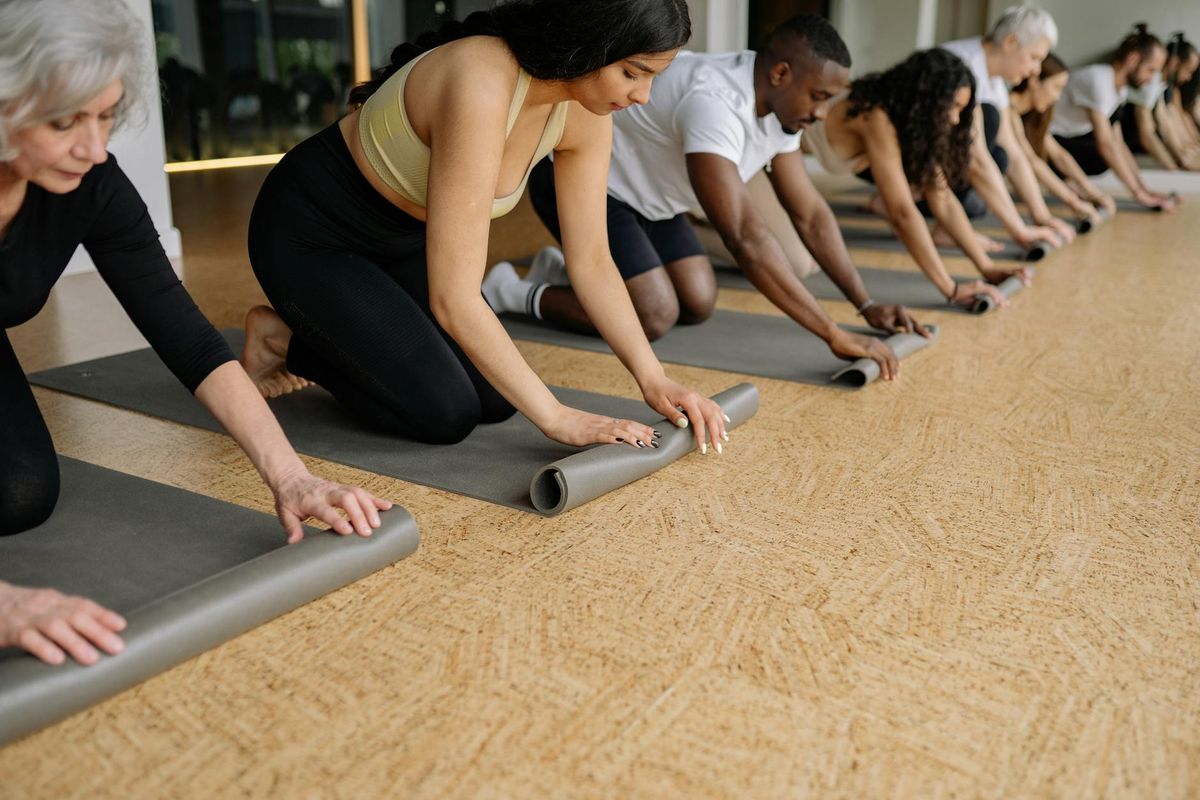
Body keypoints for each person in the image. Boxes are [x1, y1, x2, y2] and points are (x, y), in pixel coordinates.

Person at [0, 0, 392, 666]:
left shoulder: (89, 182)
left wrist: (291, 477)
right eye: (65, 121)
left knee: (20, 492)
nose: (95, 147)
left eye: (105, 115)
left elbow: (188, 338)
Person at [243, 2, 730, 463]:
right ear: (590, 42)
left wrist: (653, 377)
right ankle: (284, 340)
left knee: (497, 401)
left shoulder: (585, 111)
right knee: (444, 412)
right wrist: (558, 418)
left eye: (651, 78)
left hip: (405, 240)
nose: (641, 96)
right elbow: (454, 299)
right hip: (313, 233)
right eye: (632, 72)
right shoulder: (480, 80)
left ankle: (333, 326)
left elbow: (593, 261)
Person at [484, 14, 925, 380]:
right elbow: (744, 236)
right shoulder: (715, 101)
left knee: (697, 301)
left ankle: (565, 272)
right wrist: (832, 333)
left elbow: (809, 213)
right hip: (593, 186)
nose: (823, 112)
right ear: (780, 74)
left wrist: (864, 304)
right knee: (655, 314)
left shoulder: (782, 108)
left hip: (654, 200)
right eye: (820, 97)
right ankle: (512, 290)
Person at [803, 50, 1024, 308]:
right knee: (801, 263)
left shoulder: (910, 123)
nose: (954, 119)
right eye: (952, 107)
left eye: (960, 109)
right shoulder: (874, 117)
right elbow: (902, 213)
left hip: (794, 160)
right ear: (926, 99)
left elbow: (943, 199)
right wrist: (951, 289)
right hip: (770, 157)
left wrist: (987, 267)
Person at [937, 6, 1074, 253]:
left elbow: (1015, 155)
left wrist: (1041, 216)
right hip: (897, 158)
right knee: (987, 118)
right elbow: (976, 161)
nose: (1036, 70)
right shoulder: (962, 64)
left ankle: (939, 224)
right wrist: (1019, 230)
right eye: (1034, 58)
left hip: (929, 162)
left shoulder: (996, 81)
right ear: (1011, 42)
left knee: (998, 160)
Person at [1049, 24, 1178, 211]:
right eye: (1151, 69)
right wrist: (1139, 196)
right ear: (1133, 59)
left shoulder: (1120, 90)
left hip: (1069, 138)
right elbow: (1106, 145)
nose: (1152, 79)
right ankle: (1066, 182)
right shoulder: (1098, 80)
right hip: (1046, 140)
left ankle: (1072, 183)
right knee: (1100, 157)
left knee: (1107, 155)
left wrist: (1144, 190)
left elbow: (1118, 143)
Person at [1010, 54, 1115, 227]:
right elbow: (1032, 161)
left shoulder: (1031, 117)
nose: (1057, 97)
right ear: (1034, 81)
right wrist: (1073, 202)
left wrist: (1092, 192)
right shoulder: (1008, 110)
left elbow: (1059, 155)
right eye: (1056, 87)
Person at [1119, 32, 1200, 170]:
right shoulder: (1150, 83)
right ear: (1174, 62)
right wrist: (1174, 168)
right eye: (1188, 70)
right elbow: (1147, 133)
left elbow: (1166, 120)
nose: (1189, 77)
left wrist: (1184, 152)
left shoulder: (1161, 84)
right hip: (1132, 150)